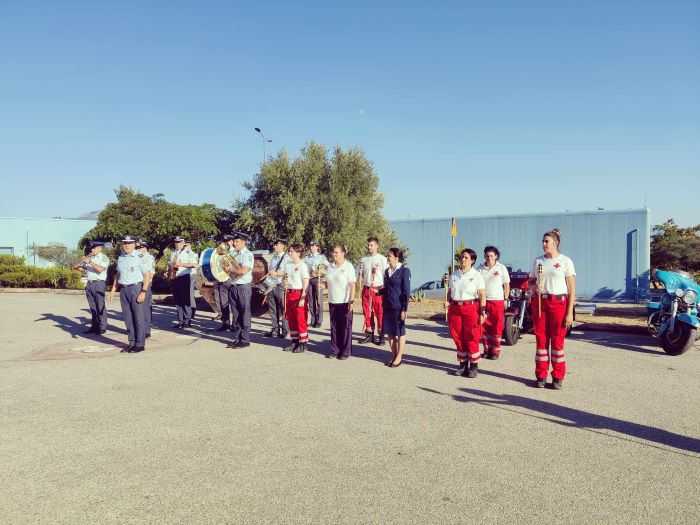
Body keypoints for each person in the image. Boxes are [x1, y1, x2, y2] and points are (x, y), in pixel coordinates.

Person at [530, 228, 576, 389]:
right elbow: (531, 281)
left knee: (557, 341)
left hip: (559, 303)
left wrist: (570, 312)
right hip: (541, 303)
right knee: (541, 340)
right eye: (543, 241)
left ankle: (557, 376)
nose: (543, 244)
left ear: (555, 243)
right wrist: (534, 286)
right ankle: (541, 375)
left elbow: (571, 289)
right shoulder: (538, 261)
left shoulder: (565, 261)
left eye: (546, 241)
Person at [446, 248, 486, 378]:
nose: (463, 259)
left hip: (471, 307)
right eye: (462, 257)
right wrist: (448, 301)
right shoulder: (454, 275)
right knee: (457, 335)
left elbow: (482, 294)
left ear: (472, 260)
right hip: (455, 308)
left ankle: (473, 366)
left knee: (471, 336)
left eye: (466, 258)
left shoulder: (476, 275)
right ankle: (462, 364)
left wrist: (482, 312)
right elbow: (450, 291)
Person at [110, 236, 151, 353]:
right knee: (128, 318)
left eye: (129, 243)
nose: (127, 245)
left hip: (136, 288)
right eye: (125, 243)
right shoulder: (121, 257)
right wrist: (113, 289)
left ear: (134, 244)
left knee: (138, 317)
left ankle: (140, 344)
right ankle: (131, 342)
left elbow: (147, 275)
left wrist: (143, 291)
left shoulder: (139, 257)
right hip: (124, 290)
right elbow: (118, 274)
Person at [477, 246, 510, 360]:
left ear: (496, 256)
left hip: (497, 301)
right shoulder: (480, 269)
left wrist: (506, 298)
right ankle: (486, 350)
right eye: (487, 255)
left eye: (491, 255)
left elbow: (506, 285)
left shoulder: (501, 268)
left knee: (496, 326)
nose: (489, 258)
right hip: (484, 301)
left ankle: (495, 351)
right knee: (484, 326)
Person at [324, 244, 356, 360]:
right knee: (334, 327)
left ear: (343, 253)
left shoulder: (348, 267)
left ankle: (345, 351)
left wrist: (351, 301)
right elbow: (328, 283)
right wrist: (322, 285)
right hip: (333, 300)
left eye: (337, 252)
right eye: (333, 252)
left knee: (345, 327)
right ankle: (334, 350)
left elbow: (353, 285)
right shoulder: (330, 267)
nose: (334, 254)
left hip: (344, 301)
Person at [382, 247, 411, 368]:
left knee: (400, 332)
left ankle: (399, 357)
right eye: (387, 256)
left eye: (389, 256)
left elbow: (406, 291)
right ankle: (394, 355)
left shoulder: (404, 271)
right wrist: (378, 291)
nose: (387, 258)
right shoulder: (387, 271)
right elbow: (387, 289)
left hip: (399, 306)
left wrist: (404, 309)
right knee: (390, 332)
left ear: (396, 257)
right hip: (387, 306)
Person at [225, 231, 254, 348]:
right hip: (233, 286)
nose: (234, 243)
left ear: (243, 242)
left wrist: (230, 269)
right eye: (234, 241)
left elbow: (243, 271)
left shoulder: (247, 255)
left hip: (243, 287)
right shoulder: (234, 254)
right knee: (236, 314)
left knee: (244, 313)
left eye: (237, 241)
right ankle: (237, 338)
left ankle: (245, 339)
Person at [74, 240, 110, 334]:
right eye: (91, 248)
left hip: (99, 283)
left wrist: (90, 262)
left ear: (99, 248)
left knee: (100, 305)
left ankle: (102, 327)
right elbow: (79, 268)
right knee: (92, 306)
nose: (92, 250)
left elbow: (100, 269)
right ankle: (95, 326)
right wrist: (80, 263)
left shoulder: (103, 257)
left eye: (93, 248)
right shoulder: (90, 257)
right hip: (89, 284)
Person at [358, 237, 389, 345]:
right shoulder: (364, 259)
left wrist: (384, 290)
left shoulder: (382, 259)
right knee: (367, 312)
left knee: (379, 312)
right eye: (368, 245)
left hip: (378, 289)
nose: (369, 247)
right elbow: (360, 274)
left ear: (377, 246)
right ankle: (369, 334)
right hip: (367, 289)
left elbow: (387, 275)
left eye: (371, 245)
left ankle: (381, 335)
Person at [283, 243, 310, 353]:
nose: (290, 253)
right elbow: (286, 278)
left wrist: (303, 297)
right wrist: (284, 283)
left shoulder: (302, 265)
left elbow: (306, 282)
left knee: (300, 319)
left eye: (292, 251)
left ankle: (303, 342)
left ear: (298, 253)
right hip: (289, 293)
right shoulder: (288, 265)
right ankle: (294, 341)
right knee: (291, 319)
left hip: (298, 293)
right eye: (289, 251)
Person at [168, 237, 198, 329]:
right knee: (178, 300)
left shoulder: (189, 253)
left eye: (179, 242)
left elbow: (194, 264)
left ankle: (187, 320)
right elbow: (170, 265)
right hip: (175, 277)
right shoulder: (173, 253)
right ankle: (180, 321)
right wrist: (168, 272)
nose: (177, 244)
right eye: (176, 242)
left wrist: (182, 264)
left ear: (183, 242)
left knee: (186, 299)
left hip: (184, 277)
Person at [264, 238, 289, 338]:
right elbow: (270, 270)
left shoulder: (287, 258)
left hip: (281, 285)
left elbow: (288, 272)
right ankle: (275, 330)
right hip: (272, 285)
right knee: (273, 309)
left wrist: (277, 273)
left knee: (284, 309)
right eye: (274, 244)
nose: (274, 246)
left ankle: (285, 331)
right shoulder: (273, 257)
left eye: (276, 244)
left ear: (282, 245)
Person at [304, 241, 329, 328]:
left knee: (319, 301)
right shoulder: (306, 258)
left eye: (314, 246)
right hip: (309, 280)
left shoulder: (321, 257)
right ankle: (313, 319)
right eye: (311, 246)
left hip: (318, 279)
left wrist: (320, 272)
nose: (312, 248)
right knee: (311, 301)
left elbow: (328, 267)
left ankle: (319, 320)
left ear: (317, 247)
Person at [214, 234, 235, 331]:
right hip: (221, 279)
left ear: (231, 242)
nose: (225, 244)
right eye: (224, 242)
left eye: (227, 242)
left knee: (234, 303)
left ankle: (235, 325)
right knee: (223, 303)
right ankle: (225, 323)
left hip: (231, 279)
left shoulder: (234, 252)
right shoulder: (219, 252)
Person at [137, 239, 156, 338]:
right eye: (139, 247)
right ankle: (140, 329)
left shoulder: (149, 258)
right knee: (138, 308)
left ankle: (146, 330)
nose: (140, 249)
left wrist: (146, 285)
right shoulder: (136, 257)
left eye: (142, 247)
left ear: (146, 248)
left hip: (146, 283)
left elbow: (151, 273)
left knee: (145, 308)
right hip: (137, 283)